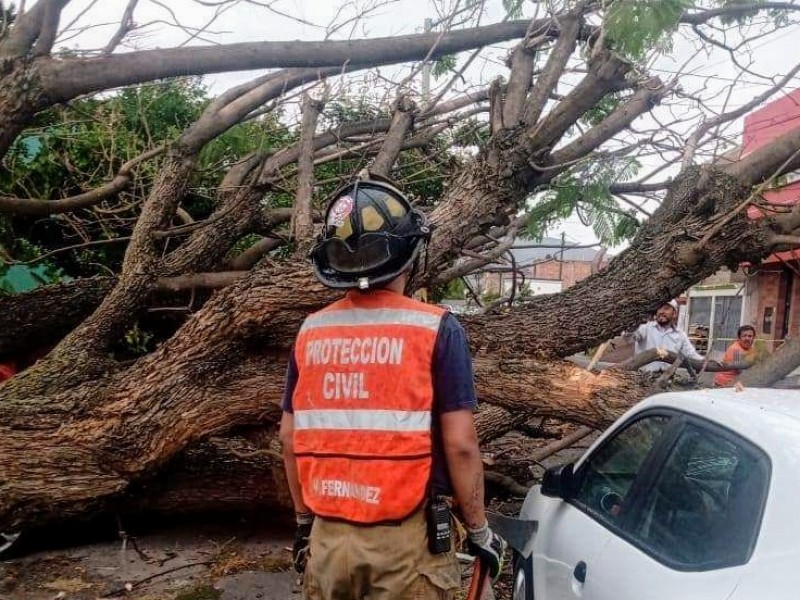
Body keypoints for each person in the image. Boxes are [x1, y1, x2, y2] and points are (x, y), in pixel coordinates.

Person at [278, 174, 506, 600]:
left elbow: (289, 438)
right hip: (406, 549)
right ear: (410, 253)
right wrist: (479, 531)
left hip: (327, 544)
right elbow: (460, 444)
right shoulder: (436, 328)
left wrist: (304, 522)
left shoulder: (311, 332)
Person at [629, 300, 704, 372]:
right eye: (659, 308)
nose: (661, 311)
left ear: (674, 314)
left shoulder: (680, 335)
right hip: (642, 378)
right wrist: (633, 324)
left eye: (666, 308)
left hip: (667, 379)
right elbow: (629, 338)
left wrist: (706, 363)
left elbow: (692, 355)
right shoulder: (645, 328)